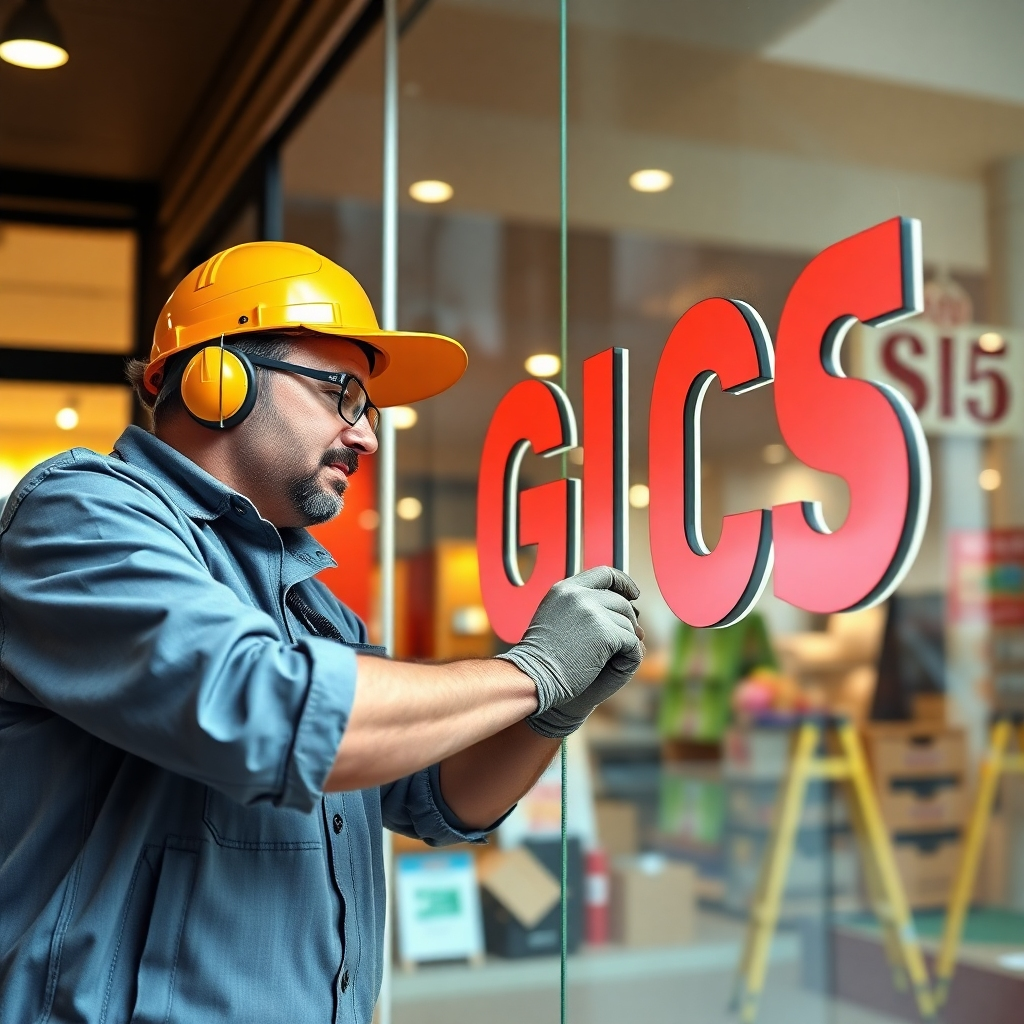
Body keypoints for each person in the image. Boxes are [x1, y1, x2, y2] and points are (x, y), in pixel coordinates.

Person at [0, 241, 643, 1023]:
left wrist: (549, 711)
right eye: (343, 394)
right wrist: (531, 671)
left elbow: (436, 799)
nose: (366, 436)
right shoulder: (81, 517)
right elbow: (269, 713)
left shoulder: (316, 607)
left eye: (367, 408)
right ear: (217, 379)